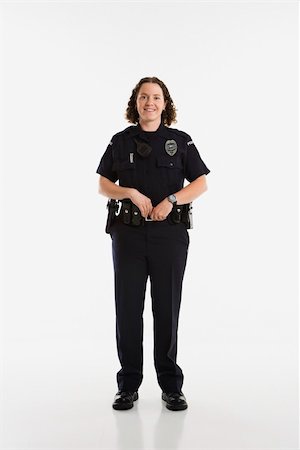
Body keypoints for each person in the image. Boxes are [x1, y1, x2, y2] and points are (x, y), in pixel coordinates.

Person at [96, 76, 210, 411]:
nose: (150, 102)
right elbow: (103, 184)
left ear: (165, 103)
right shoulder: (120, 141)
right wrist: (128, 191)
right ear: (136, 103)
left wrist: (172, 199)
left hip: (170, 237)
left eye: (156, 97)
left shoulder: (180, 141)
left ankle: (171, 386)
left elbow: (200, 183)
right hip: (128, 235)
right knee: (128, 310)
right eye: (144, 97)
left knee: (167, 308)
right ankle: (128, 385)